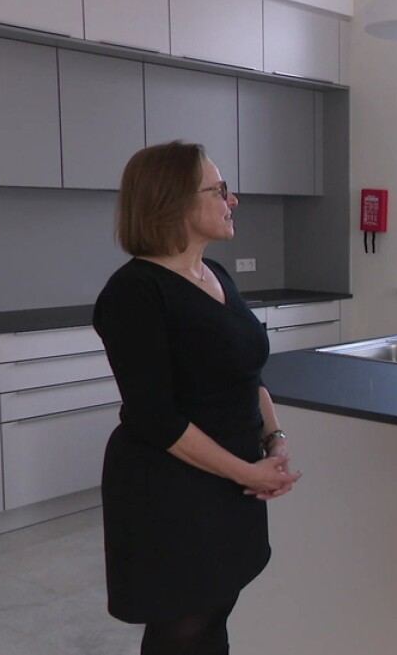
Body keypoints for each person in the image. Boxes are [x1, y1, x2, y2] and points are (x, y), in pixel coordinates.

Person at [93, 141, 302, 655]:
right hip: (171, 491)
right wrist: (246, 472)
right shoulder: (135, 292)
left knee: (215, 612)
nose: (233, 201)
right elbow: (156, 419)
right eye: (220, 190)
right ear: (174, 201)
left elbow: (248, 373)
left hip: (231, 480)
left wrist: (272, 439)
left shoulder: (217, 277)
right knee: (181, 626)